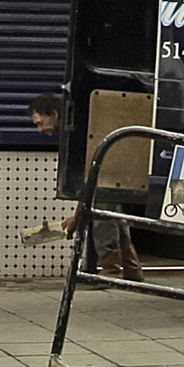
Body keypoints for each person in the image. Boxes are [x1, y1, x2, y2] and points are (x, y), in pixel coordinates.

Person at [29, 92, 144, 284]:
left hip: (108, 175)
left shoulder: (77, 130)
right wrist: (76, 217)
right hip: (110, 173)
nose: (40, 130)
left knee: (103, 218)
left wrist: (76, 218)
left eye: (40, 122)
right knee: (114, 218)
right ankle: (133, 271)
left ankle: (111, 272)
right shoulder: (75, 126)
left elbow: (89, 181)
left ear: (55, 114)